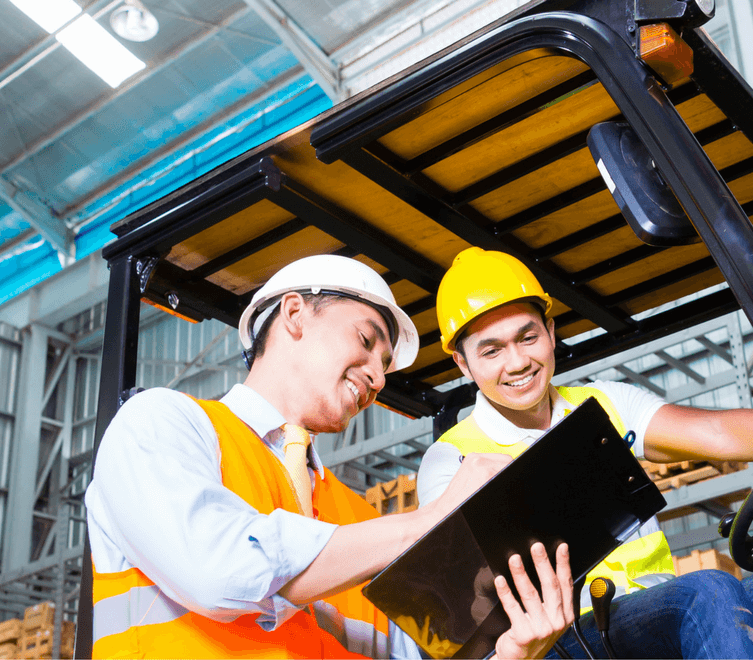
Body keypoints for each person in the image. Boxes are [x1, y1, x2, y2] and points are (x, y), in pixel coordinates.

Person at [418, 247, 753, 659]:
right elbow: (466, 612)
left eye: (528, 337)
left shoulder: (606, 404)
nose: (518, 361)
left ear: (551, 332)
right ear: (462, 362)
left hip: (659, 609)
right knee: (708, 591)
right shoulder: (453, 460)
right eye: (492, 350)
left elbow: (720, 433)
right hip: (567, 638)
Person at [85, 255, 575, 659]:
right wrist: (432, 520)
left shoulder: (357, 520)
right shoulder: (163, 425)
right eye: (365, 341)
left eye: (385, 365)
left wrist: (512, 654)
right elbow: (220, 573)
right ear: (294, 314)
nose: (378, 378)